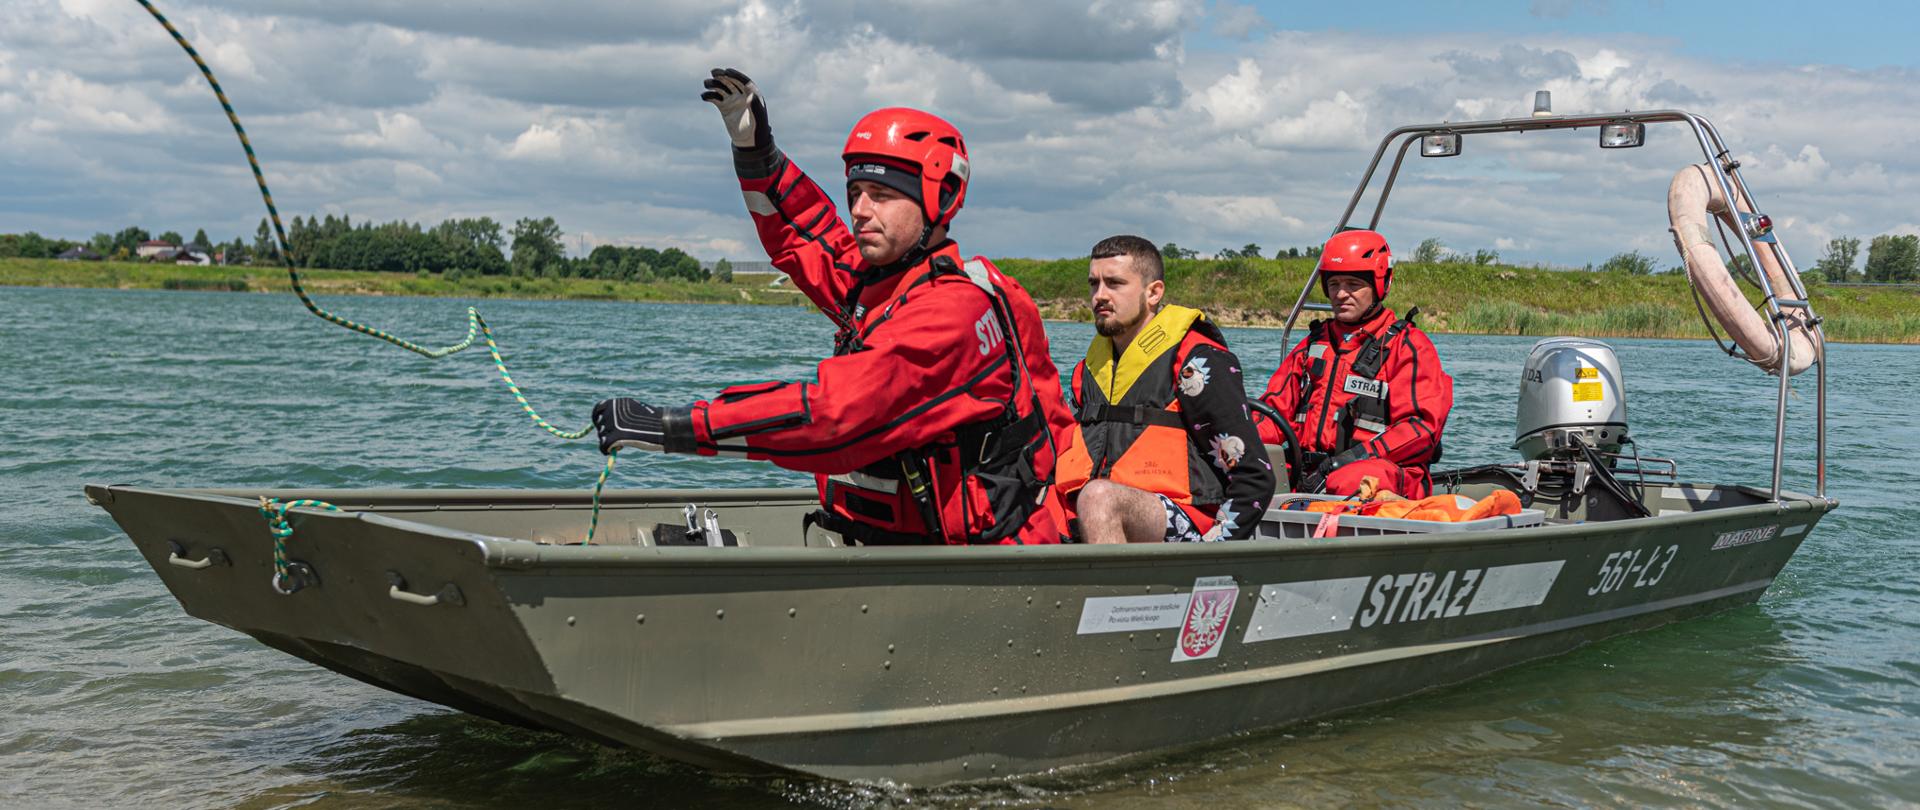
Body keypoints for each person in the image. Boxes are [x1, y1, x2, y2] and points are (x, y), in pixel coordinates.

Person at [592, 68, 1075, 546]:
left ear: (941, 198)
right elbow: (807, 235)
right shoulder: (887, 285)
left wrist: (671, 425)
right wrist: (757, 155)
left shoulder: (953, 314)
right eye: (855, 193)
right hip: (897, 544)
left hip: (979, 561)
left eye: (882, 195)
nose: (861, 210)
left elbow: (835, 415)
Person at [1055, 235, 1274, 543]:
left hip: (1184, 522)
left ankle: (1109, 591)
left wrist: (1217, 551)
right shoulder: (1087, 371)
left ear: (1153, 292)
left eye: (1115, 283)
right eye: (1094, 284)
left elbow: (1254, 477)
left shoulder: (1196, 363)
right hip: (1095, 515)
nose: (1099, 296)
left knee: (1099, 497)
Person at [1256, 230, 1453, 498]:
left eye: (1352, 284)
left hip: (1377, 476)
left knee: (1349, 479)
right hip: (1308, 475)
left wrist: (1350, 460)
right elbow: (1272, 411)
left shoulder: (1408, 347)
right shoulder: (1312, 346)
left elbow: (1421, 429)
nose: (1341, 294)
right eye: (1334, 284)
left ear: (1379, 285)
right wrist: (1237, 438)